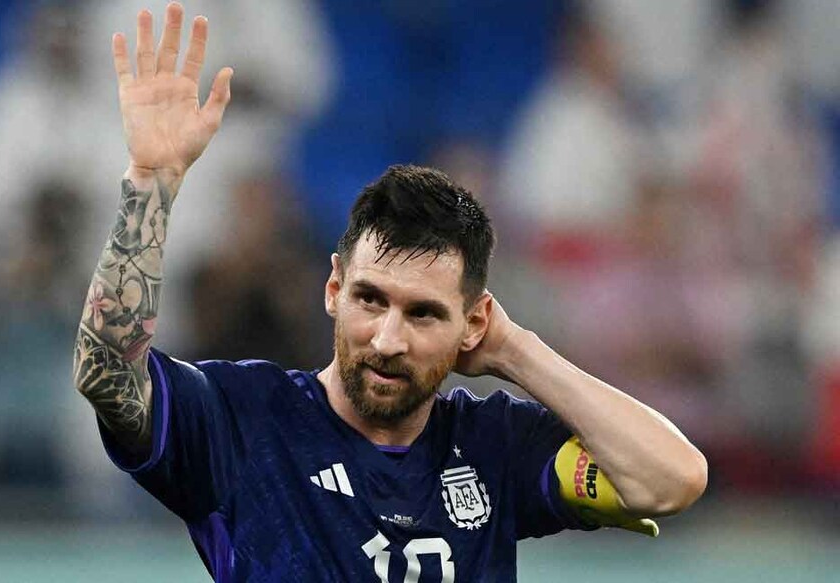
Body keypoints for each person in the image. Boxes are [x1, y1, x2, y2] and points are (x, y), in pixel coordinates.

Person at [73, 4, 707, 581]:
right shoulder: (243, 422)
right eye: (370, 299)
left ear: (473, 322)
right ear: (333, 288)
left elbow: (670, 480)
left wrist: (515, 351)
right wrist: (151, 182)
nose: (387, 338)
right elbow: (105, 372)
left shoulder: (495, 446)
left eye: (424, 313)